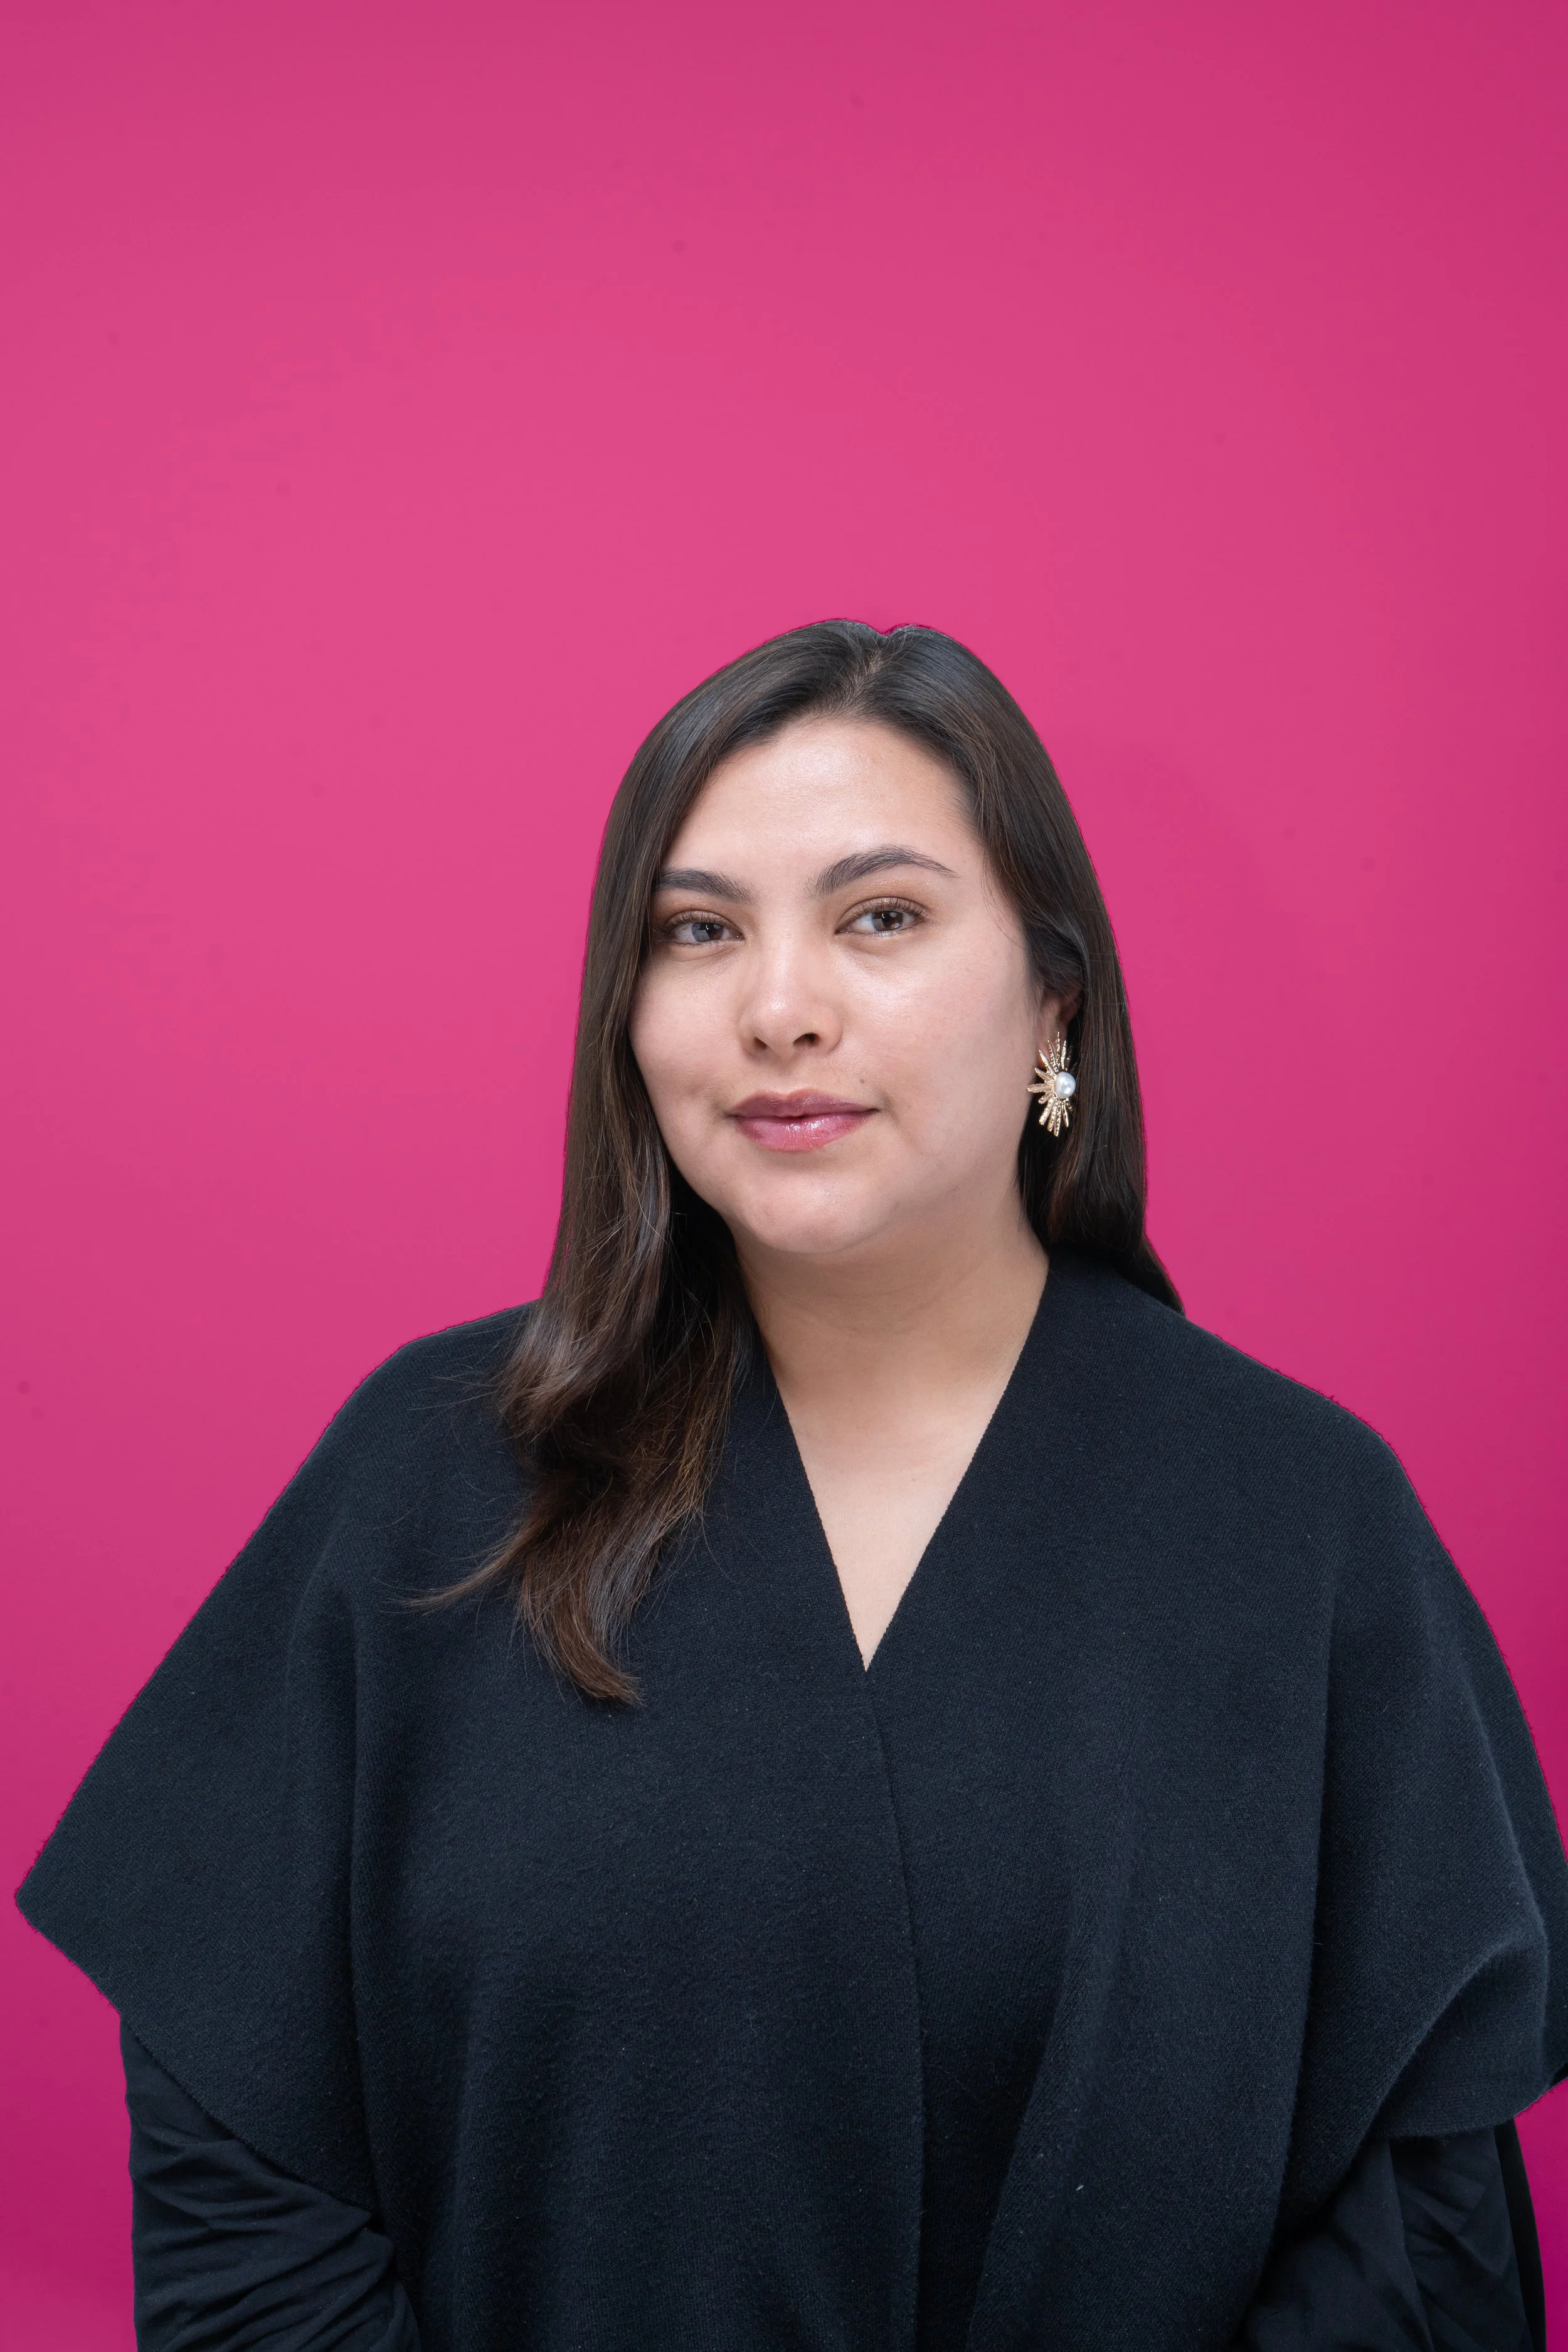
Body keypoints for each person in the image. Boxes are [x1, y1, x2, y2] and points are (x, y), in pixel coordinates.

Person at [18, 621, 1568, 2352]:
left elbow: (1421, 2242)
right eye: (697, 931)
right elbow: (248, 2162)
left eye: (878, 916)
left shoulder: (1297, 1524)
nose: (779, 1006)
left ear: (1054, 999)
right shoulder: (432, 1474)